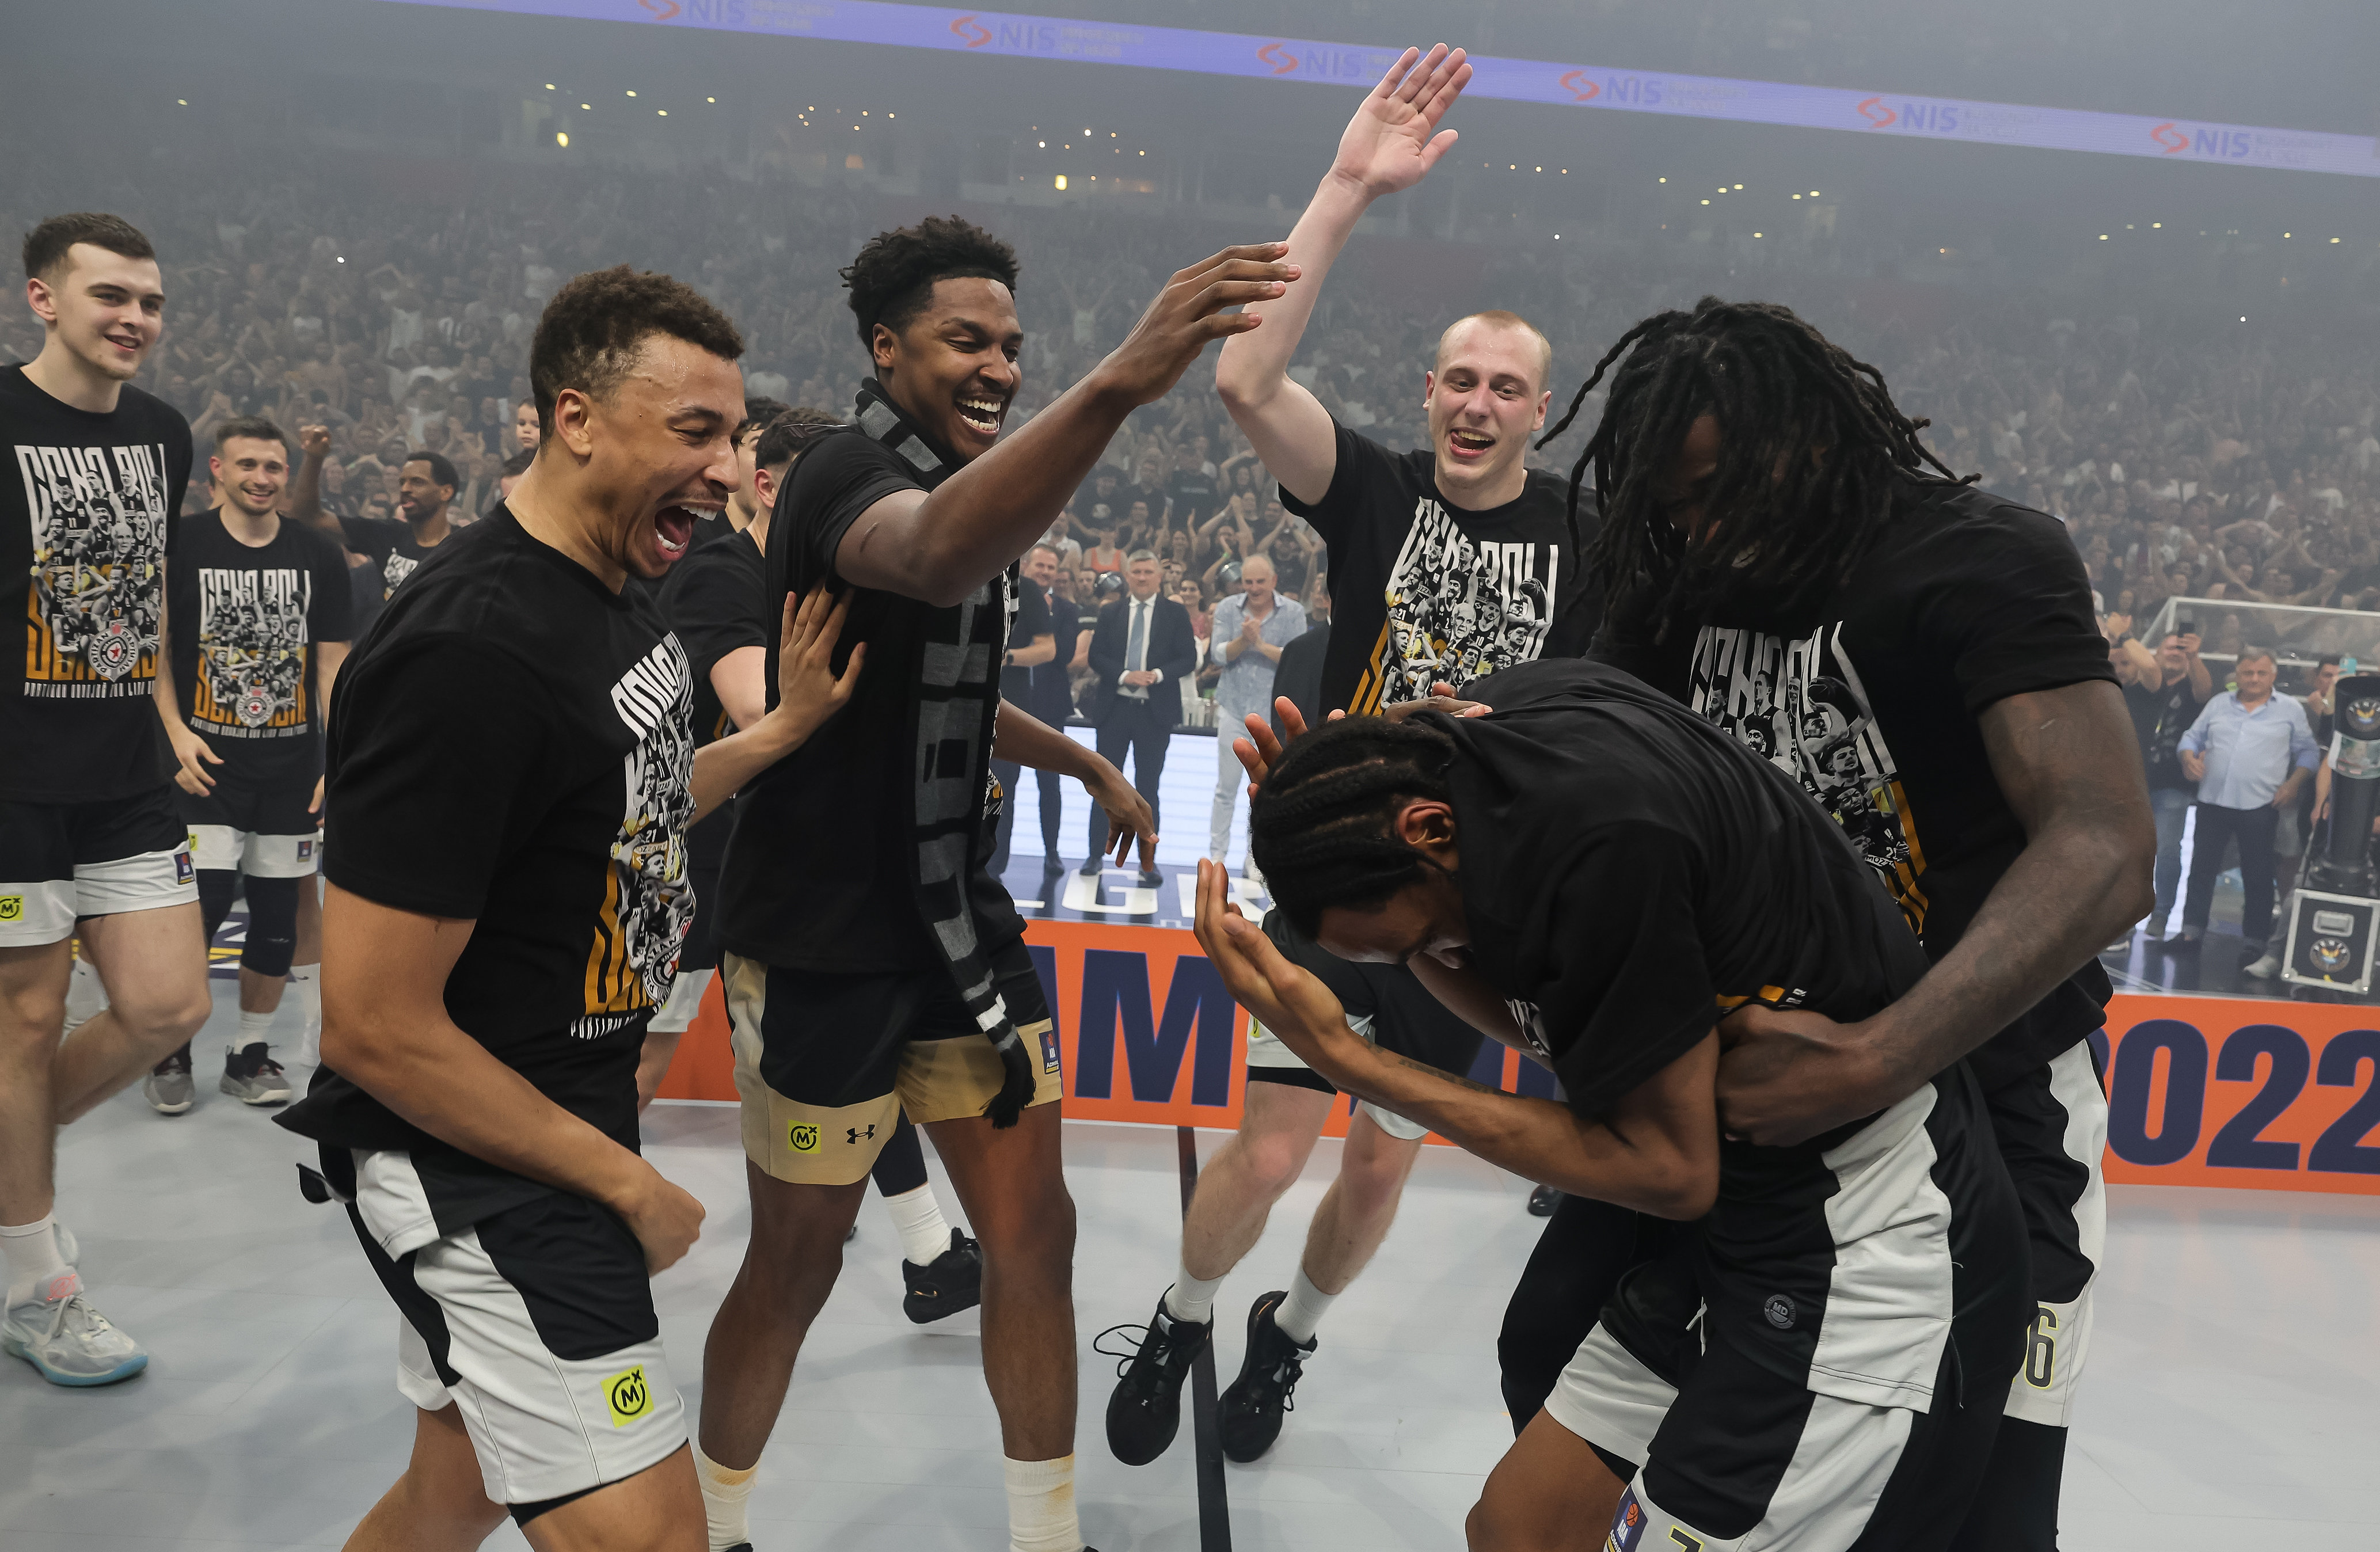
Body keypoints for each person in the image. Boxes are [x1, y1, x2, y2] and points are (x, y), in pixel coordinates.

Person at [696, 215, 1291, 1552]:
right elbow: (931, 555)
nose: (1000, 368)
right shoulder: (844, 476)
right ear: (885, 344)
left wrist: (1078, 760)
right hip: (825, 941)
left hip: (957, 925)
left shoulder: (951, 471)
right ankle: (713, 1526)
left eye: (1016, 348)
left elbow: (927, 692)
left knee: (1038, 1236)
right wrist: (1119, 381)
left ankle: (1044, 1534)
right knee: (794, 1261)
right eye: (967, 341)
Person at [1531, 294, 2154, 1552]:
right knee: (1546, 1388)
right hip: (1753, 1122)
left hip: (1998, 1095)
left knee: (1989, 1503)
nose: (1699, 528)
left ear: (1814, 446)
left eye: (1719, 491)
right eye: (1672, 503)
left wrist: (1877, 1053)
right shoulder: (1668, 580)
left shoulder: (1980, 555)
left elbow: (2104, 845)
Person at [274, 264, 858, 1550]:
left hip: (549, 1122)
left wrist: (779, 737)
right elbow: (371, 1026)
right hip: (480, 1171)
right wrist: (624, 1184)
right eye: (693, 432)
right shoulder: (466, 651)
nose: (724, 470)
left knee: (452, 1491)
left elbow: (619, 802)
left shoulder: (621, 586)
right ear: (574, 418)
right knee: (653, 1534)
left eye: (733, 437)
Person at [1197, 664, 2029, 1550]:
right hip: (1741, 1226)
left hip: (1860, 1248)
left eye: (1427, 938)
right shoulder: (1478, 742)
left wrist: (1352, 1061)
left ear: (1430, 827)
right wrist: (1327, 797)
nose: (1446, 957)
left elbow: (1668, 1171)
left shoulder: (1602, 844)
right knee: (1514, 1532)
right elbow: (1540, 1027)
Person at [1105, 45, 1600, 1466]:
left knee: (1378, 1170)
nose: (1475, 401)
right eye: (1456, 377)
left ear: (1538, 411)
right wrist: (1342, 188)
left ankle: (1289, 1339)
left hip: (1479, 907)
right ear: (1429, 389)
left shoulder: (1584, 541)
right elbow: (1246, 376)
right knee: (1266, 1150)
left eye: (1504, 386)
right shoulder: (1378, 490)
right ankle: (1183, 1312)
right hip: (1341, 870)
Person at [650, 408, 984, 1316]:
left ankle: (925, 1252)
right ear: (776, 490)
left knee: (855, 1071)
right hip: (701, 859)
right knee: (639, 1060)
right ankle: (589, 1201)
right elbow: (764, 713)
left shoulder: (807, 576)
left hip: (791, 865)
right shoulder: (719, 572)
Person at [1, 211, 210, 1389]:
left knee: (168, 1006)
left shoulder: (164, 433)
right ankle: (36, 1283)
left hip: (126, 771)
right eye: (110, 297)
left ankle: (8, 1167)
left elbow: (144, 593)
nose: (135, 318)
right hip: (13, 781)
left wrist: (171, 716)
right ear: (44, 299)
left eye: (151, 300)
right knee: (23, 1026)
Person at [144, 414, 351, 1114]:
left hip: (292, 768)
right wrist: (173, 732)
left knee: (274, 917)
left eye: (273, 466)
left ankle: (249, 1054)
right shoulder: (184, 544)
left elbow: (331, 665)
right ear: (218, 475)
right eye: (248, 466)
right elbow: (158, 652)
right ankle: (170, 1048)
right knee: (198, 908)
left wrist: (338, 753)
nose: (263, 478)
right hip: (207, 765)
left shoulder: (318, 553)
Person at [2177, 646, 2318, 977]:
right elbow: (2191, 737)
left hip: (2261, 804)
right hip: (2213, 800)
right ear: (2237, 674)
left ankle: (2255, 941)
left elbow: (2309, 752)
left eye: (2261, 673)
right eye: (2247, 673)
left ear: (2274, 675)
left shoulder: (2289, 710)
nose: (2254, 679)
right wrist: (2188, 758)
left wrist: (2293, 784)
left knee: (2258, 876)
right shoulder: (2217, 704)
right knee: (2201, 869)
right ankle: (2190, 932)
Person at [1082, 550, 1196, 889]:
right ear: (1128, 576)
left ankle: (1149, 863)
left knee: (1149, 789)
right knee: (1103, 787)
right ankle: (1093, 855)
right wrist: (1123, 675)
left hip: (1154, 714)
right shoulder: (1111, 612)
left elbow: (1188, 658)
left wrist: (1158, 676)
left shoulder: (1175, 613)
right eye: (1137, 572)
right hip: (1114, 711)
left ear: (1160, 576)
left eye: (1148, 572)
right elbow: (1095, 656)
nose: (1143, 577)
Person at [1204, 553, 1305, 871]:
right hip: (1233, 710)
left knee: (1267, 789)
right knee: (1226, 787)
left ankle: (1256, 858)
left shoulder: (1294, 612)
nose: (1254, 588)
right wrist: (1242, 641)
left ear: (1274, 581)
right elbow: (1218, 654)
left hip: (1273, 714)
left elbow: (1297, 659)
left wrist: (1258, 643)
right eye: (1248, 582)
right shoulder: (1226, 608)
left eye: (1260, 581)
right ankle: (1217, 853)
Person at [2119, 630, 2214, 943]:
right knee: (2132, 852)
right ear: (2156, 653)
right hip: (2134, 781)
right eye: (2170, 648)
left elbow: (2205, 692)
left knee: (2168, 850)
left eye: (2181, 649)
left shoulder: (2193, 686)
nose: (2176, 652)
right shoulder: (2144, 684)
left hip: (2172, 782)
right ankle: (2128, 914)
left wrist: (2194, 657)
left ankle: (2161, 913)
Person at [291, 433, 454, 602]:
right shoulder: (387, 534)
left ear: (445, 492)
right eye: (402, 482)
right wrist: (313, 458)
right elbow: (309, 517)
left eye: (418, 482)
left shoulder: (466, 545)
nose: (405, 489)